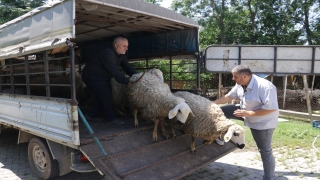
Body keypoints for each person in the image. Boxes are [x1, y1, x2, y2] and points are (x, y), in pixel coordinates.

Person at [213, 64, 279, 180]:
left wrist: (248, 114)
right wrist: (212, 104)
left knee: (265, 151)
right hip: (245, 112)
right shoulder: (240, 84)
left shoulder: (265, 86)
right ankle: (221, 137)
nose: (233, 79)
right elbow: (228, 97)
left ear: (244, 76)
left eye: (235, 76)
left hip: (262, 122)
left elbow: (271, 108)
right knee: (221, 111)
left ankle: (269, 178)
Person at [81, 37, 136, 125]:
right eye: (124, 46)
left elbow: (127, 67)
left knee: (103, 97)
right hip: (92, 76)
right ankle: (111, 119)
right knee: (106, 97)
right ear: (116, 46)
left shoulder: (121, 55)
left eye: (127, 46)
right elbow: (113, 71)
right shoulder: (108, 53)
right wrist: (126, 82)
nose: (126, 48)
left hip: (103, 78)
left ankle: (91, 115)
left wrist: (137, 77)